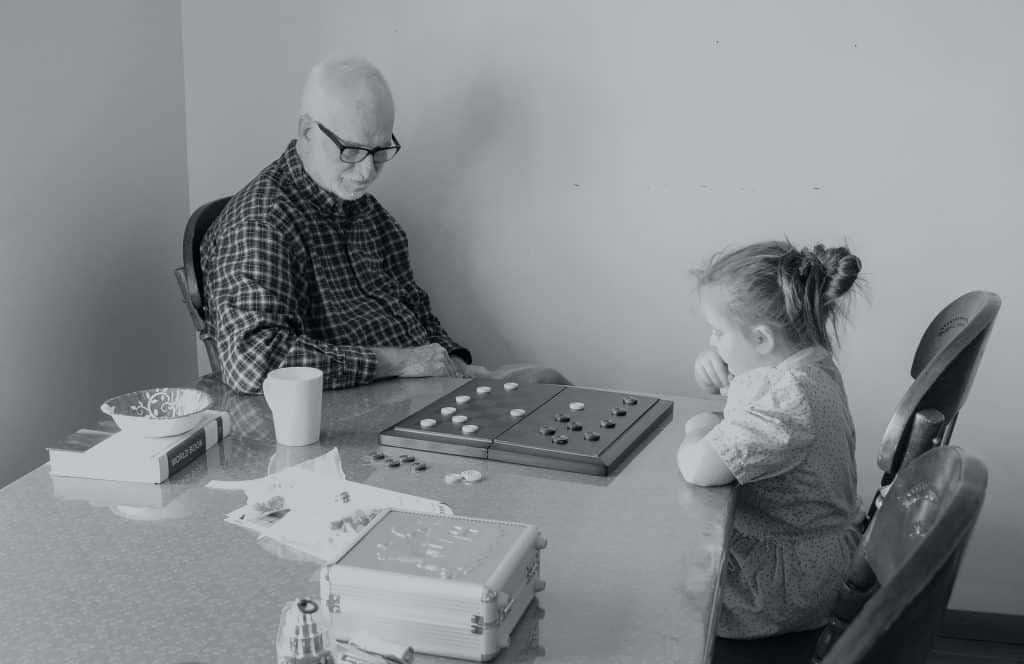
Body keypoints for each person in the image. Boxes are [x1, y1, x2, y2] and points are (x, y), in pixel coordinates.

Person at [201, 57, 567, 394]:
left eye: (379, 151)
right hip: (356, 411)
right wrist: (398, 362)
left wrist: (451, 363)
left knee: (547, 384)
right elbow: (251, 361)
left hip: (421, 390)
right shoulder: (262, 223)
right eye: (352, 150)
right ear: (307, 131)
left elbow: (412, 306)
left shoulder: (368, 213)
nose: (366, 171)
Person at [676, 240, 864, 639]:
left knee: (659, 583)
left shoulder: (787, 401)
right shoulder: (807, 364)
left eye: (718, 332)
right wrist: (714, 369)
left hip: (784, 588)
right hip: (809, 559)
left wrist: (699, 427)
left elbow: (699, 468)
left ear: (761, 340)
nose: (711, 342)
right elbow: (749, 397)